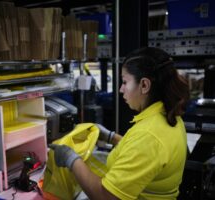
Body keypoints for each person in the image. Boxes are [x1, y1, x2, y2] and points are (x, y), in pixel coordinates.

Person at [49, 47, 190, 200]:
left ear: (144, 85)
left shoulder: (148, 135)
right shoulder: (168, 115)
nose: (121, 89)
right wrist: (112, 137)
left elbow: (106, 196)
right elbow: (146, 156)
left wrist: (71, 160)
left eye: (124, 82)